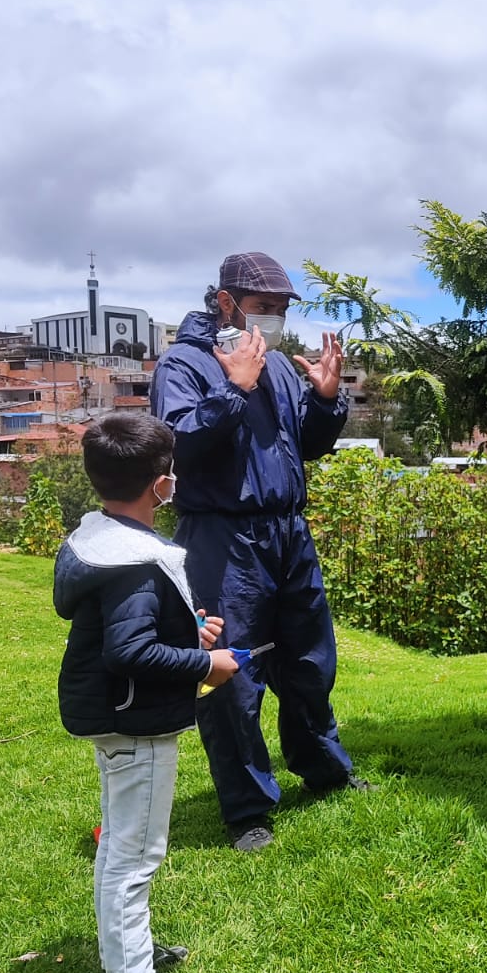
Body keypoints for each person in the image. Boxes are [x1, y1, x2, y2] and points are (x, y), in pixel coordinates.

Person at [149, 250, 370, 853]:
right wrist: (234, 389)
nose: (272, 318)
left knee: (308, 660)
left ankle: (324, 769)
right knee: (231, 674)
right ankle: (247, 808)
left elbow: (306, 445)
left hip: (288, 532)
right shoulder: (185, 363)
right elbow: (176, 444)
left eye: (280, 309)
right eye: (262, 306)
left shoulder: (277, 365)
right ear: (226, 301)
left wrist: (325, 399)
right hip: (222, 538)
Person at [53, 412, 241, 973]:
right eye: (172, 472)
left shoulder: (101, 538)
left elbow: (129, 627)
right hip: (136, 724)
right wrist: (206, 664)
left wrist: (189, 631)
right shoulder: (135, 560)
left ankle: (127, 950)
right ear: (161, 484)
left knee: (119, 846)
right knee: (135, 857)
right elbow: (129, 651)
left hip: (115, 714)